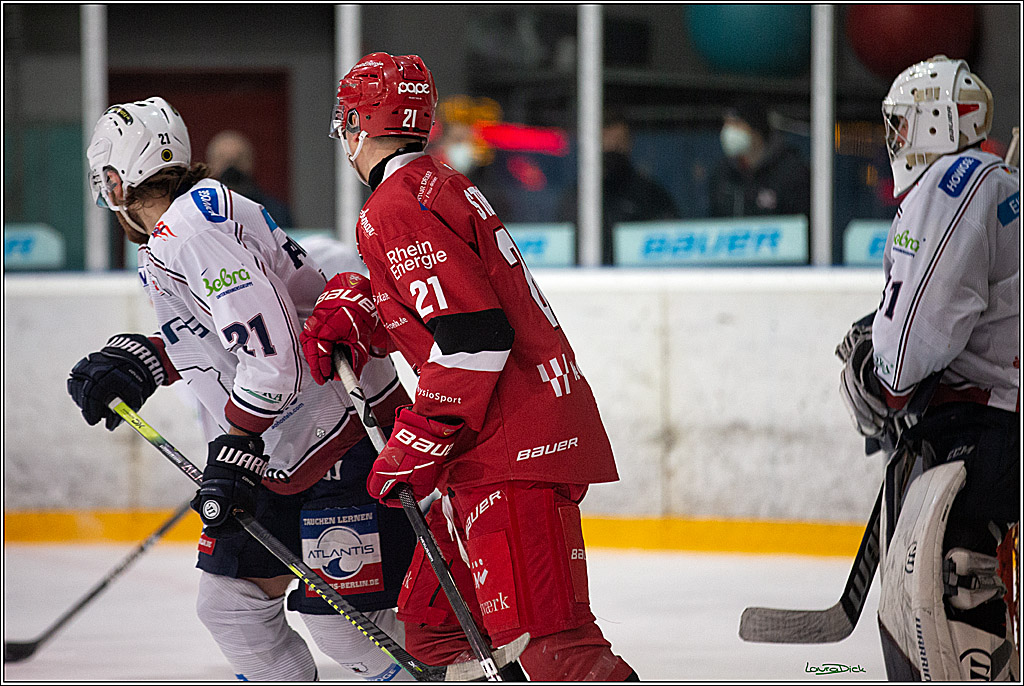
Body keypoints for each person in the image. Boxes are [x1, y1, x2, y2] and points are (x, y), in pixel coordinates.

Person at [300, 52, 638, 681]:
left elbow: (475, 336)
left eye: (346, 122)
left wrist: (419, 436)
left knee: (552, 652)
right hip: (488, 447)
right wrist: (367, 312)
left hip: (511, 448)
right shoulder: (439, 183)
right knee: (434, 631)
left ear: (359, 122)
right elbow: (450, 306)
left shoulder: (395, 206)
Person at [66, 97, 419, 681]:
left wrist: (236, 444)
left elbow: (274, 355)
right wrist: (145, 360)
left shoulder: (192, 232)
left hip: (339, 437)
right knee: (231, 607)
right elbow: (233, 334)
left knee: (347, 624)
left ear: (116, 177)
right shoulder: (186, 227)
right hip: (288, 443)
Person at [836, 56, 1019, 680]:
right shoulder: (1002, 186)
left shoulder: (956, 181)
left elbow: (920, 328)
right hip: (1005, 433)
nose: (897, 140)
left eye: (904, 123)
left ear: (940, 122)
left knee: (946, 635)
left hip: (983, 443)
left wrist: (882, 372)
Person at [560, 111, 678, 264]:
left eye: (618, 143)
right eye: (605, 143)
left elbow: (669, 240)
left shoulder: (651, 195)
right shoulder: (576, 198)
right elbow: (565, 247)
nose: (612, 150)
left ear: (630, 143)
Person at [708, 100, 810, 219]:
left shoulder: (791, 171)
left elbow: (801, 223)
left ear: (756, 130)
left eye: (736, 124)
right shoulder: (722, 173)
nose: (728, 131)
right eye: (726, 123)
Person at [206, 130, 294, 228]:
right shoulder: (198, 212)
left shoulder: (274, 212)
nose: (231, 168)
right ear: (211, 164)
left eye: (238, 159)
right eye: (223, 159)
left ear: (251, 162)